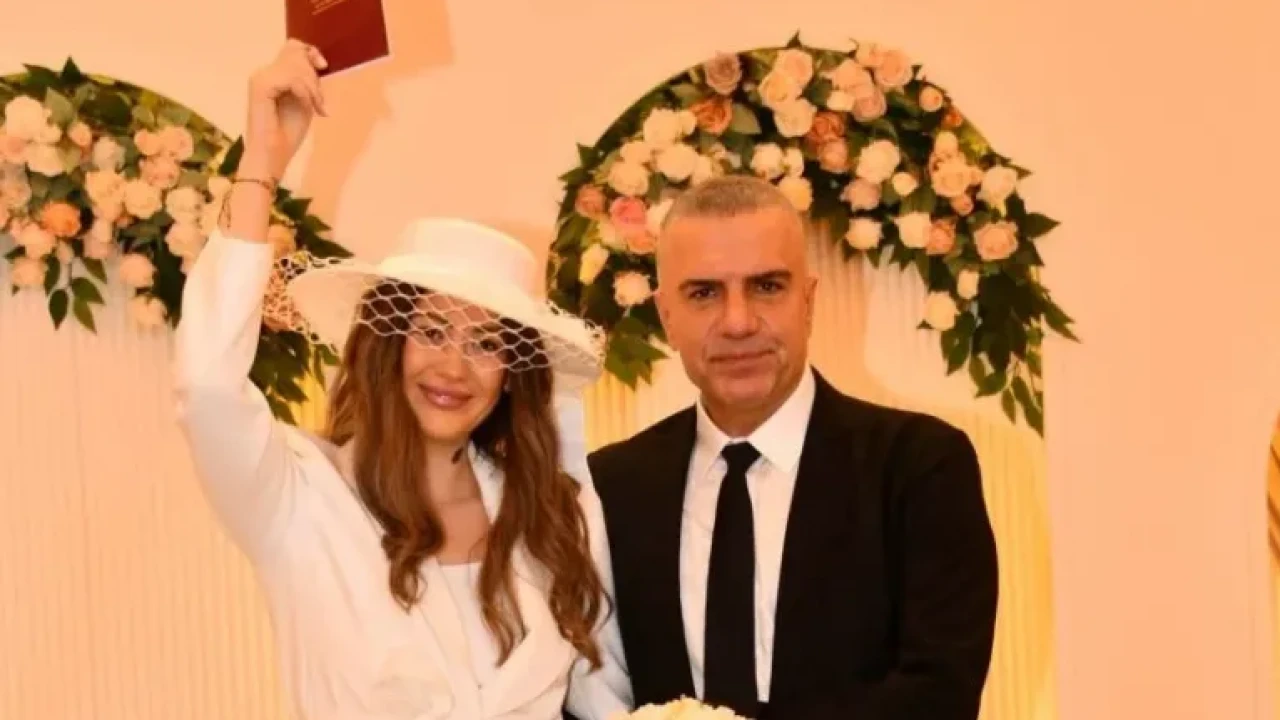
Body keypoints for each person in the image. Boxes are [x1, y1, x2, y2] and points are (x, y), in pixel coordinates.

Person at [174, 40, 627, 720]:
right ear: (386, 344)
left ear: (512, 375)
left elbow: (603, 698)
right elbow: (207, 388)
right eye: (432, 331)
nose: (453, 367)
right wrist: (262, 163)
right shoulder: (299, 497)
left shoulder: (558, 514)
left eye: (486, 344)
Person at [587, 175, 1000, 719]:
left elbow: (938, 695)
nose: (738, 322)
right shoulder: (609, 488)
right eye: (704, 293)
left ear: (807, 300)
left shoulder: (919, 467)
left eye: (766, 286)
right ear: (666, 315)